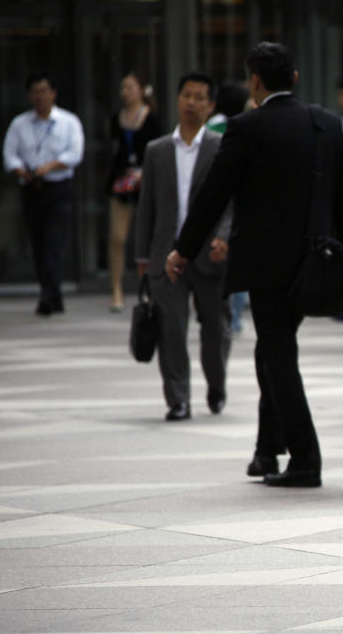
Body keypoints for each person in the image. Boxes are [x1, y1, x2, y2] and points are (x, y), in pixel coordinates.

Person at [165, 42, 343, 487]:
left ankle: (305, 460)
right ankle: (266, 450)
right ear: (293, 78)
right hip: (317, 262)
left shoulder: (246, 127)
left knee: (278, 356)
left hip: (267, 269)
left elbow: (213, 195)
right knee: (271, 350)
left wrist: (183, 250)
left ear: (254, 82)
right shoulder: (326, 123)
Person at [134, 71, 231, 422]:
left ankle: (216, 386)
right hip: (166, 255)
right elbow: (147, 206)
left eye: (199, 97)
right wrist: (143, 256)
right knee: (171, 330)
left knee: (216, 329)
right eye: (186, 95)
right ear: (177, 100)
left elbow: (231, 201)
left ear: (211, 105)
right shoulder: (157, 150)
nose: (191, 102)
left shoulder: (222, 148)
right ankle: (178, 399)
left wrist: (224, 237)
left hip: (210, 255)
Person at [3, 72, 84, 316]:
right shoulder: (19, 124)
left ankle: (50, 293)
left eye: (44, 91)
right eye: (35, 91)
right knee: (38, 242)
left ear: (53, 93)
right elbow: (9, 155)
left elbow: (74, 154)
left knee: (54, 242)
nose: (39, 96)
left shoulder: (68, 122)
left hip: (58, 187)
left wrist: (49, 166)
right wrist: (22, 170)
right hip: (31, 188)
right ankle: (50, 292)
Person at [106, 72, 161, 313]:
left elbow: (157, 154)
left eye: (129, 87)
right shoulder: (116, 118)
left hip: (145, 184)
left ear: (141, 90)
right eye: (122, 87)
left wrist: (143, 174)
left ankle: (150, 285)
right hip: (121, 184)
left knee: (149, 237)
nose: (124, 92)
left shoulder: (152, 120)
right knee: (117, 238)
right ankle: (116, 289)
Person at [206, 82, 251, 335]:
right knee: (239, 255)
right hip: (240, 198)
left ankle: (226, 313)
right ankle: (234, 316)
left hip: (221, 198)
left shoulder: (212, 126)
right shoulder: (244, 125)